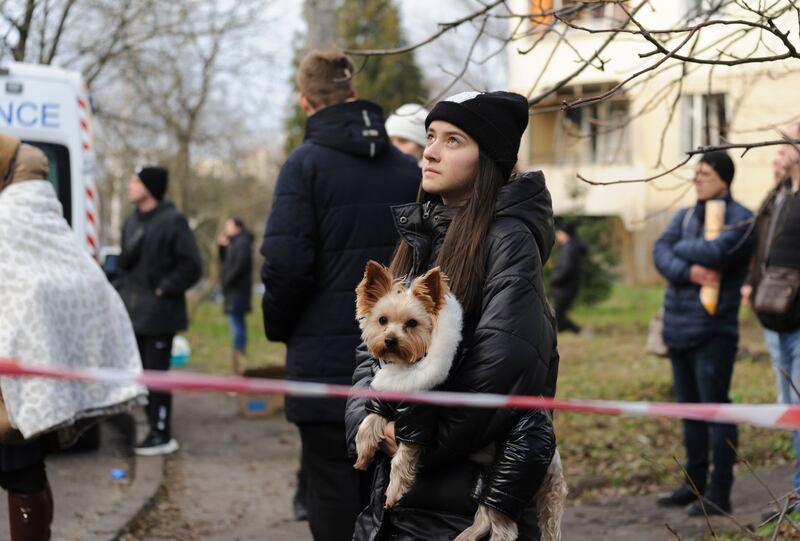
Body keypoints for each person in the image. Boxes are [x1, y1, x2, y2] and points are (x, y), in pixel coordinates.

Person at [344, 90, 560, 540]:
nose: (432, 151)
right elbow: (372, 353)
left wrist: (413, 441)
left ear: (489, 159)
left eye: (453, 140)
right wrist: (368, 423)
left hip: (463, 502)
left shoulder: (508, 241)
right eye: (430, 137)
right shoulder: (420, 235)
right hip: (400, 498)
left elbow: (502, 369)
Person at [259, 48, 420, 541]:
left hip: (324, 366)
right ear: (353, 95)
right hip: (401, 368)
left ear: (305, 101)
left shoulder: (303, 166)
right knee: (392, 493)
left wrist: (280, 329)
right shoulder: (409, 170)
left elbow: (285, 267)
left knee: (330, 493)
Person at [0, 135, 146, 541]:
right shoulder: (48, 221)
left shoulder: (9, 224)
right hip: (41, 388)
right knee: (26, 475)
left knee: (19, 474)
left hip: (13, 389)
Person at [653, 150, 754, 516]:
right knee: (690, 411)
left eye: (705, 173)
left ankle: (719, 491)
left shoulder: (741, 219)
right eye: (696, 173)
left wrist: (680, 251)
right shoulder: (684, 215)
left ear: (723, 179)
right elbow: (659, 251)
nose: (697, 179)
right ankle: (693, 484)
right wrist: (689, 271)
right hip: (678, 328)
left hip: (714, 331)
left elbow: (718, 251)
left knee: (716, 411)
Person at [118, 166, 202, 456]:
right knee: (142, 378)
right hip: (135, 314)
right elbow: (125, 265)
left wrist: (165, 288)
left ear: (150, 188)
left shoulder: (172, 220)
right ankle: (152, 427)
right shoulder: (131, 222)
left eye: (135, 180)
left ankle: (161, 434)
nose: (129, 186)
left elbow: (192, 265)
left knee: (157, 377)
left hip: (161, 314)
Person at [741, 123, 800, 516]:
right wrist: (750, 282)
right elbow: (758, 247)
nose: (781, 146)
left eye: (788, 139)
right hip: (773, 318)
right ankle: (797, 493)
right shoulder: (778, 197)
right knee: (788, 406)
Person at [217, 217, 254, 374]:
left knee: (236, 322)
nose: (226, 229)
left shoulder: (242, 243)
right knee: (238, 321)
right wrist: (222, 247)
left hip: (237, 291)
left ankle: (238, 353)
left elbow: (237, 267)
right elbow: (225, 262)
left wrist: (227, 281)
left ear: (238, 227)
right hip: (234, 291)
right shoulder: (235, 243)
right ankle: (239, 351)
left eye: (229, 226)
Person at [550, 221, 587, 334]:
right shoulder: (570, 246)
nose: (558, 235)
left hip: (564, 286)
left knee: (558, 314)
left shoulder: (569, 249)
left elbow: (567, 268)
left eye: (560, 232)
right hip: (567, 286)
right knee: (558, 313)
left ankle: (577, 330)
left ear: (565, 234)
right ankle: (561, 331)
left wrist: (555, 279)